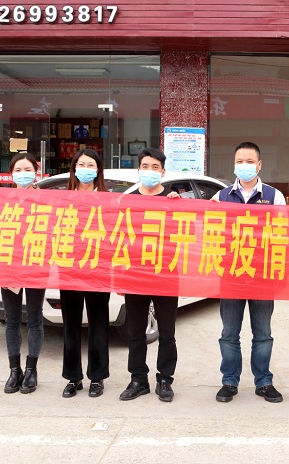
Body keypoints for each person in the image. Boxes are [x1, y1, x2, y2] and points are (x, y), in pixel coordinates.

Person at [212, 142, 285, 404]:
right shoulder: (221, 197)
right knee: (229, 334)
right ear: (234, 164)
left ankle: (263, 382)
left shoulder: (274, 196)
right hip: (231, 276)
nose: (244, 166)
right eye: (240, 161)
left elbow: (283, 236)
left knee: (263, 334)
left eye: (250, 161)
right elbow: (208, 230)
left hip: (262, 277)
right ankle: (229, 381)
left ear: (259, 165)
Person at [120, 147, 181, 402]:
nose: (150, 171)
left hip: (166, 275)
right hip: (135, 275)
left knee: (166, 332)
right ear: (138, 170)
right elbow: (119, 239)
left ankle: (165, 379)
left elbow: (187, 235)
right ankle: (138, 379)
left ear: (163, 172)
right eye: (145, 166)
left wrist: (180, 208)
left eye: (155, 167)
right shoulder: (128, 200)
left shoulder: (173, 200)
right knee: (135, 332)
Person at [58, 149, 113, 399]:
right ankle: (73, 377)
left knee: (98, 324)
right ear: (74, 169)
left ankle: (97, 377)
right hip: (69, 269)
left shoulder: (108, 199)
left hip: (98, 269)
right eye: (81, 164)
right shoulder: (62, 199)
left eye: (91, 165)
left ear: (98, 170)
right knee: (70, 325)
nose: (86, 169)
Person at [1, 153, 46, 395]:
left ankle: (31, 370)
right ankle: (14, 370)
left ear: (36, 172)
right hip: (8, 266)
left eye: (27, 169)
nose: (23, 174)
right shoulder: (1, 201)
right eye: (18, 170)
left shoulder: (46, 201)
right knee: (12, 320)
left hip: (37, 264)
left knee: (35, 318)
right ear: (11, 174)